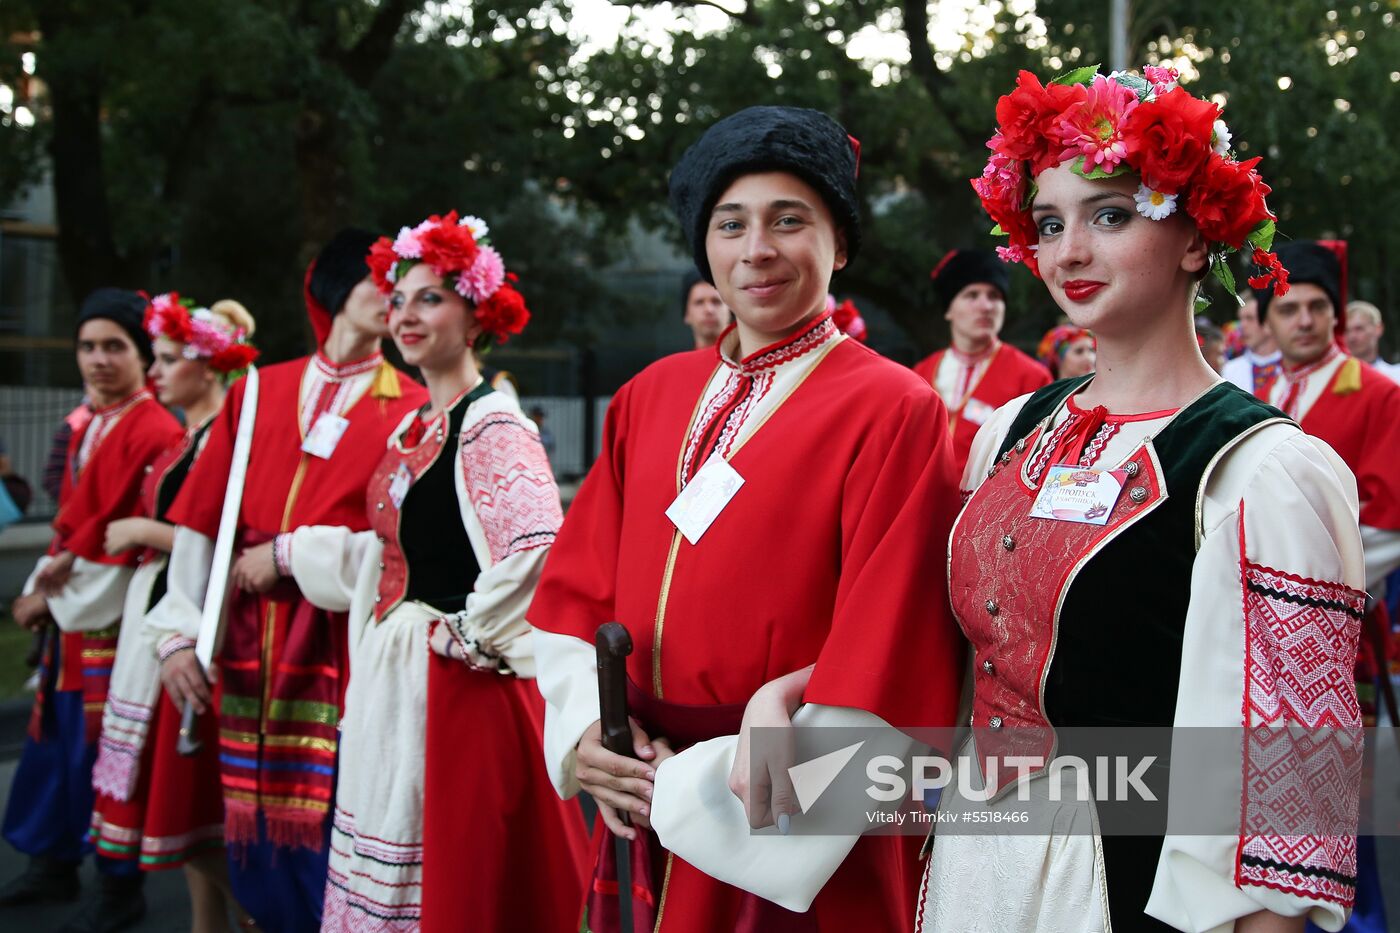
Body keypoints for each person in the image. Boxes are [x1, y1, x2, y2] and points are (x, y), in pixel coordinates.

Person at [744, 65, 1367, 931]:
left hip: (1127, 876)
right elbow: (954, 650)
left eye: (1109, 214)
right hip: (974, 852)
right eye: (1047, 222)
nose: (1068, 251)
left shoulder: (1262, 472)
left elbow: (1287, 805)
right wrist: (787, 696)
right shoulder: (1010, 429)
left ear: (1196, 236)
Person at [529, 105, 965, 932]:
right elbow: (574, 590)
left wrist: (701, 785)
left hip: (770, 792)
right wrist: (587, 731)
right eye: (730, 225)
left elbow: (892, 641)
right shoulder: (648, 394)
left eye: (788, 220)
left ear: (839, 240)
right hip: (639, 771)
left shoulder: (894, 406)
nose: (756, 249)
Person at [277, 211, 589, 931]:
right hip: (399, 686)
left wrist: (463, 639)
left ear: (476, 314)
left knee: (459, 884)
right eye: (397, 299)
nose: (405, 314)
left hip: (457, 697)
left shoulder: (494, 425)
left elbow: (535, 557)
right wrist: (295, 553)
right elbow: (396, 549)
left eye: (430, 297)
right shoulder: (415, 424)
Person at [143, 230, 427, 933]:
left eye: (403, 282)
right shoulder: (257, 390)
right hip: (236, 641)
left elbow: (408, 547)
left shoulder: (414, 405)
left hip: (340, 644)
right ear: (330, 287)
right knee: (235, 829)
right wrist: (177, 631)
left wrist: (297, 554)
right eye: (376, 276)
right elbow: (204, 525)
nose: (391, 293)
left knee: (336, 829)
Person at [1, 289, 184, 929]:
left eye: (115, 346)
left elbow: (127, 541)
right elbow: (74, 526)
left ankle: (117, 886)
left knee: (109, 752)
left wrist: (48, 601)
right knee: (57, 743)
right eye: (87, 346)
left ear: (143, 355)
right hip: (74, 616)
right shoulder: (91, 420)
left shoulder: (156, 429)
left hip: (112, 619)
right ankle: (52, 863)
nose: (98, 359)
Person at [83, 294, 256, 933]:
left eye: (168, 359)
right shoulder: (193, 437)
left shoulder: (222, 442)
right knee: (190, 808)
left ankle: (259, 916)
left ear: (209, 367)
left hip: (190, 624)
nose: (154, 373)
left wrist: (139, 529)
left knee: (191, 803)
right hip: (160, 615)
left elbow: (213, 538)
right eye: (153, 359)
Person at [1261, 240, 1400, 933]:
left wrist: (1301, 588)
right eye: (1289, 308)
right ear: (1267, 321)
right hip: (1255, 645)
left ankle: (1359, 922)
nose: (1305, 320)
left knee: (1344, 806)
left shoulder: (1377, 392)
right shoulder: (1253, 396)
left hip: (1337, 637)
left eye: (1318, 307)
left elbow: (1390, 520)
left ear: (1337, 315)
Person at [913, 248, 1051, 469]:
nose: (986, 306)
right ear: (949, 310)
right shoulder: (920, 373)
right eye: (972, 295)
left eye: (994, 296)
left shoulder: (1032, 378)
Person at [1221, 291, 1283, 399]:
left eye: (1250, 318)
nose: (1242, 325)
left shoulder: (1293, 364)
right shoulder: (1230, 370)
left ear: (1269, 321)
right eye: (1241, 319)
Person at [1344, 301, 1400, 383]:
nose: (1352, 337)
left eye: (1359, 329)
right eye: (1346, 331)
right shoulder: (1333, 379)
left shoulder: (1396, 376)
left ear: (1378, 329)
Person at [680, 267, 730, 349]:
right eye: (699, 302)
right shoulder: (677, 361)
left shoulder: (753, 361)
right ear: (686, 313)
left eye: (716, 301)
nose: (709, 310)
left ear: (730, 309)